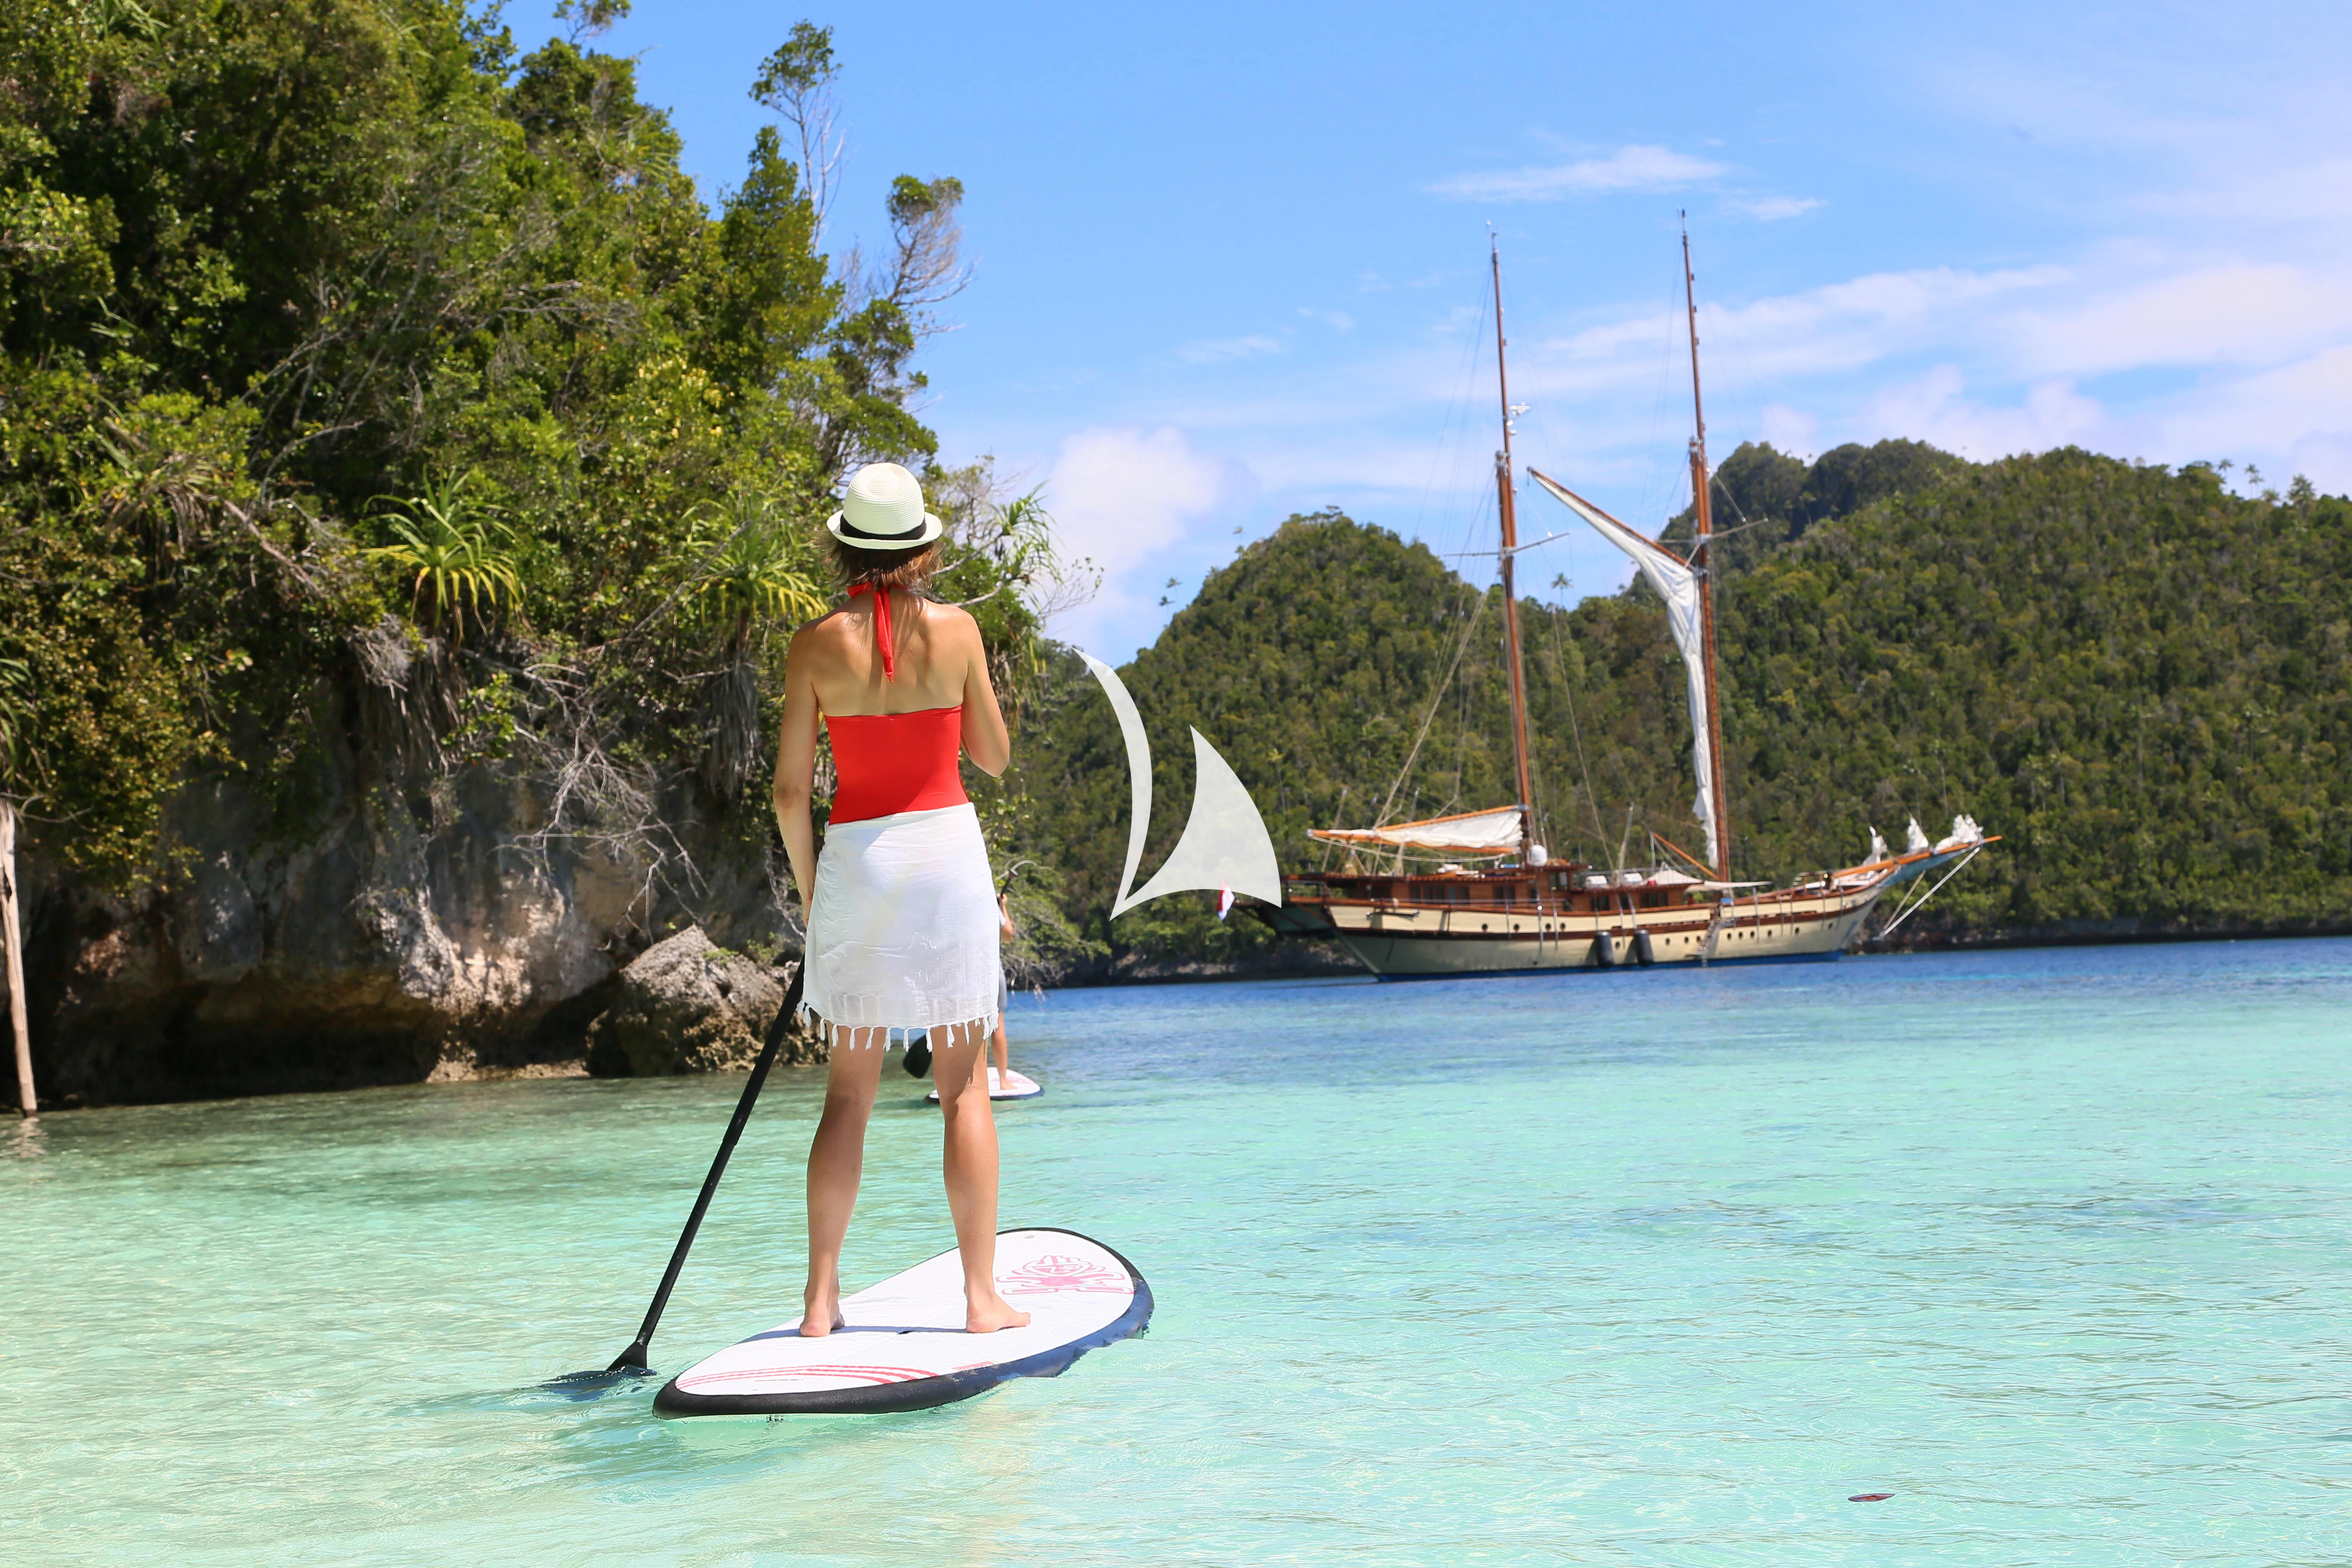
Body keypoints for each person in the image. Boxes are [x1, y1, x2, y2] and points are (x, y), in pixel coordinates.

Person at [772, 462, 1031, 1338]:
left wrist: (818, 901)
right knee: (963, 1093)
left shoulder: (812, 643)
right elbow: (992, 759)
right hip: (947, 860)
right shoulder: (959, 632)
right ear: (923, 550)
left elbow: (788, 794)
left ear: (844, 543)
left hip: (858, 863)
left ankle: (819, 1302)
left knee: (848, 1095)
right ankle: (981, 1299)